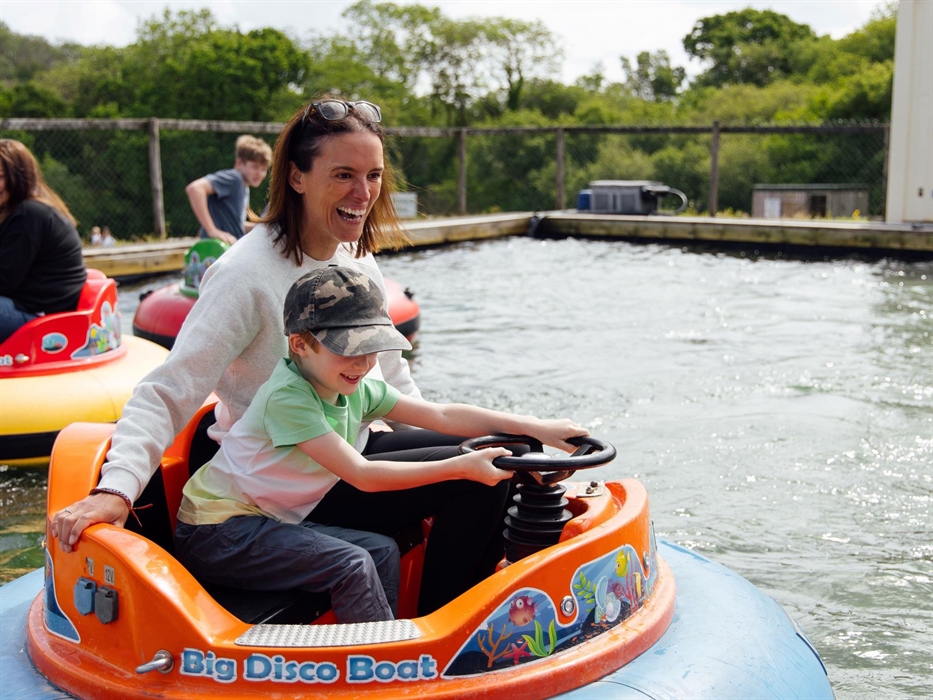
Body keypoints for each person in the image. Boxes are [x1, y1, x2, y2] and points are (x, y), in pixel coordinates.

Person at [50, 96, 421, 557]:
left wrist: (415, 430)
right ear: (297, 177)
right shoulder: (244, 274)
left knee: (503, 448)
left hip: (355, 447)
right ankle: (464, 623)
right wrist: (117, 489)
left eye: (373, 176)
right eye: (344, 175)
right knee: (481, 478)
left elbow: (390, 373)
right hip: (283, 485)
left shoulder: (359, 259)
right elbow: (171, 388)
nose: (363, 194)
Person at [175, 266, 588, 620]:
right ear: (300, 344)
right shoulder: (288, 398)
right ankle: (384, 668)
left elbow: (441, 415)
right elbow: (363, 475)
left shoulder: (351, 382)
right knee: (355, 562)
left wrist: (537, 428)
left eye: (371, 348)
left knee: (383, 550)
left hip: (271, 513)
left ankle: (395, 638)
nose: (363, 363)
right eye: (349, 351)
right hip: (220, 532)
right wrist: (464, 466)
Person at [0, 139, 88, 344]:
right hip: (24, 307)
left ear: (18, 178)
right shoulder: (16, 213)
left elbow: (4, 281)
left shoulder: (28, 215)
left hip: (44, 317)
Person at [185, 135, 272, 245]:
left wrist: (261, 228)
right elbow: (195, 188)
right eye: (255, 167)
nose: (259, 173)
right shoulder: (234, 178)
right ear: (239, 163)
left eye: (263, 169)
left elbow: (237, 225)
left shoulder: (244, 187)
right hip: (215, 249)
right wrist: (212, 230)